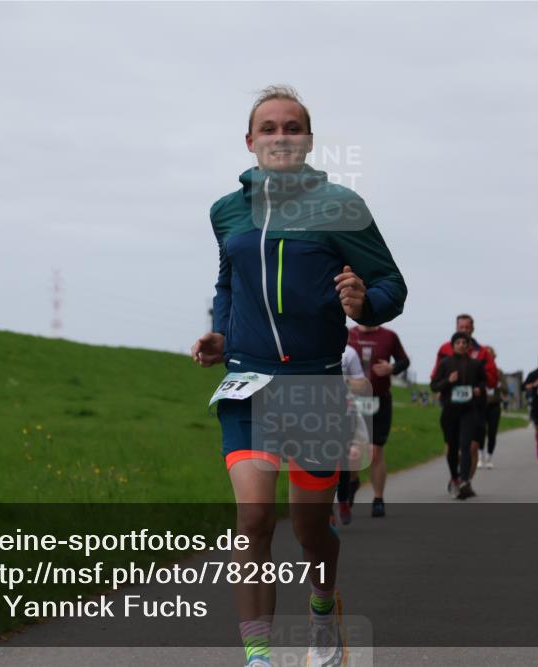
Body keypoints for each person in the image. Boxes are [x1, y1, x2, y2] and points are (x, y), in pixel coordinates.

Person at [191, 85, 406, 667]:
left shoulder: (341, 207)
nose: (281, 137)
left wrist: (364, 302)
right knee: (254, 517)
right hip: (248, 383)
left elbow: (391, 284)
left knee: (311, 531)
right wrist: (222, 334)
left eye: (292, 127)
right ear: (250, 141)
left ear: (308, 141)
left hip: (315, 386)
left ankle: (322, 606)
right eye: (269, 128)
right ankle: (259, 657)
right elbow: (228, 283)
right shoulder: (226, 211)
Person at [347, 324, 410, 517]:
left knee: (375, 451)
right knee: (354, 452)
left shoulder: (389, 336)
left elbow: (404, 361)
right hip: (352, 401)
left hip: (379, 400)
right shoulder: (349, 334)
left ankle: (378, 499)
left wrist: (392, 368)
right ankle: (352, 483)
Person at [430, 314, 497, 488]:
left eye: (467, 328)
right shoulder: (445, 351)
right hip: (451, 407)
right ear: (456, 328)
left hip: (473, 407)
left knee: (470, 446)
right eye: (461, 327)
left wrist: (478, 387)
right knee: (453, 446)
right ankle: (456, 476)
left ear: (472, 329)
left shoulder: (482, 353)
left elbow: (490, 379)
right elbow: (435, 379)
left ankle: (465, 481)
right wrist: (447, 382)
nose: (464, 331)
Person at [337, 344, 370, 526]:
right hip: (315, 410)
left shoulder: (348, 353)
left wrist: (344, 381)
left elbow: (362, 385)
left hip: (345, 411)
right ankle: (325, 511)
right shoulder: (307, 346)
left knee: (346, 457)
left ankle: (344, 498)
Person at [480, 345, 504, 468]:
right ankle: (480, 457)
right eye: (486, 354)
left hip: (494, 405)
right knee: (480, 431)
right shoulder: (478, 371)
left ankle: (489, 458)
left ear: (494, 357)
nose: (488, 356)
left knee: (492, 432)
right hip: (481, 405)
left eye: (490, 354)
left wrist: (499, 385)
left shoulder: (499, 372)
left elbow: (506, 389)